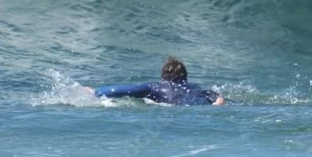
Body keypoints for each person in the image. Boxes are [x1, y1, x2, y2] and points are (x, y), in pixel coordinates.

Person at [90, 57, 225, 106]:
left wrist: (95, 91)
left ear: (163, 76)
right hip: (200, 104)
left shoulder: (154, 87)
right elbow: (215, 96)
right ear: (185, 77)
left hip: (175, 108)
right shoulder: (194, 87)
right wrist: (218, 102)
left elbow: (121, 90)